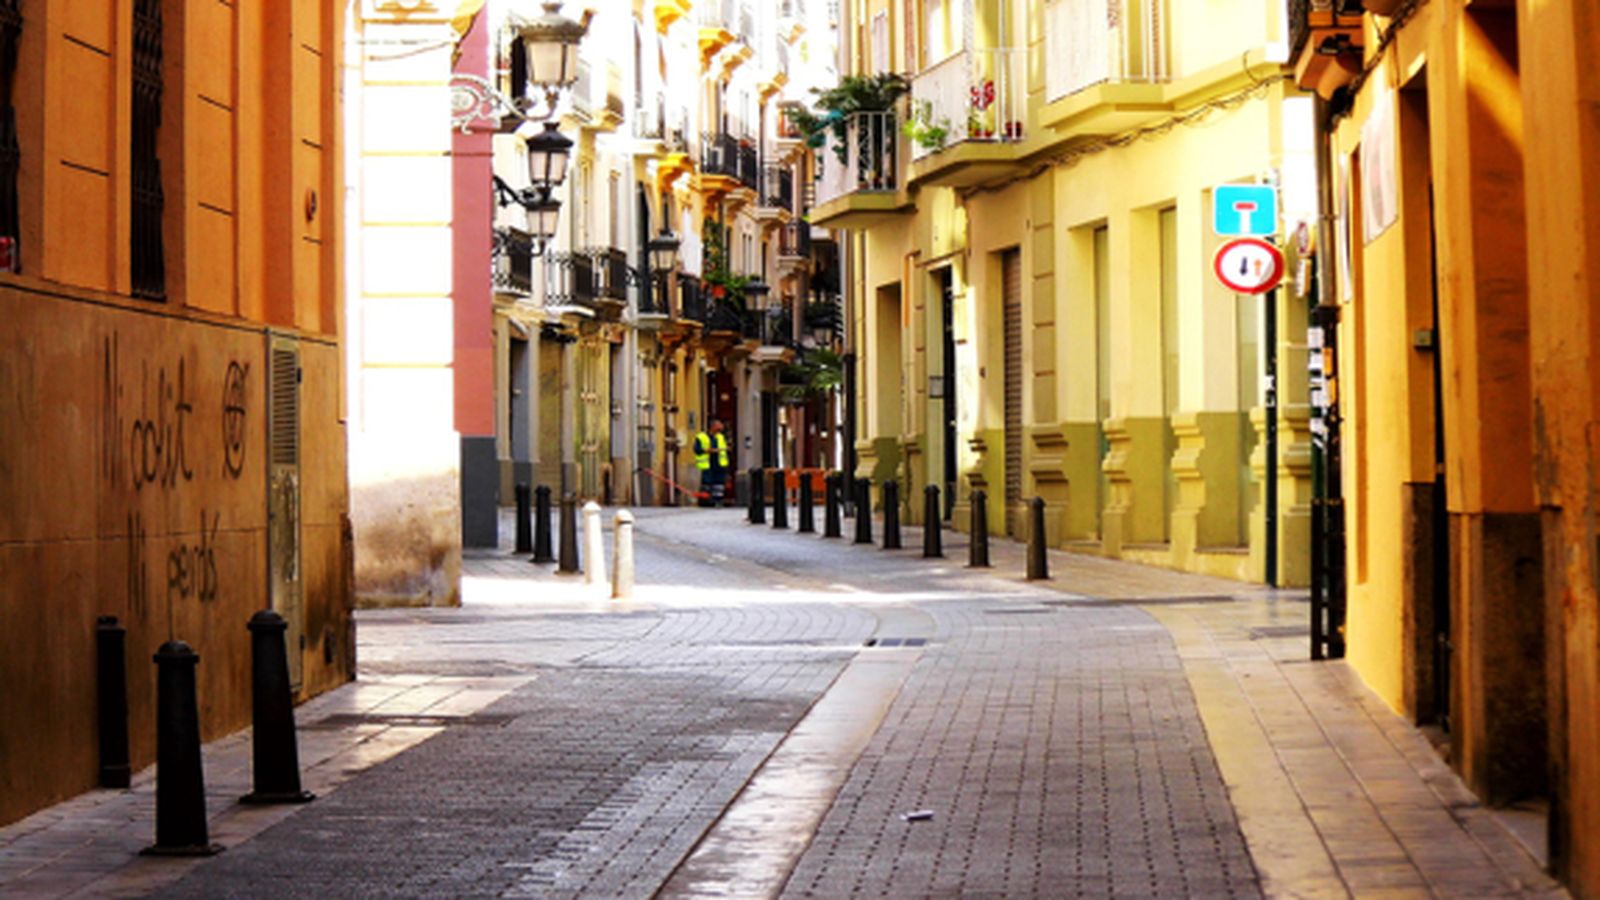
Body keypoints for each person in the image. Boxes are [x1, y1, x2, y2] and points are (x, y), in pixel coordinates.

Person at [693, 418, 731, 507]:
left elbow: (725, 449)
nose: (721, 427)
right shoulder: (701, 437)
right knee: (707, 484)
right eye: (718, 425)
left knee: (719, 485)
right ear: (712, 427)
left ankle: (718, 502)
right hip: (707, 464)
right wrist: (707, 450)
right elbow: (697, 449)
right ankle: (706, 502)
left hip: (719, 464)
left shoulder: (721, 437)